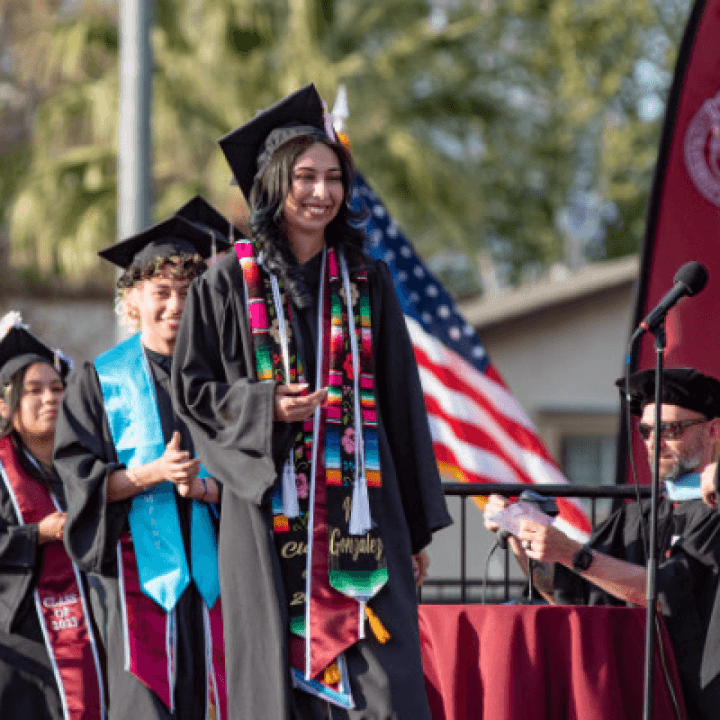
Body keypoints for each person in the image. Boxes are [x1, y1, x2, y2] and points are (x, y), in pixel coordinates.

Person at [171, 83, 452, 720]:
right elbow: (192, 390)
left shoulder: (365, 280)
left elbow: (403, 407)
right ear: (273, 183)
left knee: (383, 683)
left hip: (363, 515)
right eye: (304, 177)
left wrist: (412, 519)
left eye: (333, 179)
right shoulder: (224, 282)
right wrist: (261, 406)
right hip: (268, 512)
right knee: (276, 683)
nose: (321, 193)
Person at [53, 214, 231, 720]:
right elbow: (77, 482)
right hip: (140, 583)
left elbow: (257, 467)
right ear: (132, 300)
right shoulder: (99, 381)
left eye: (188, 290)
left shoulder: (223, 377)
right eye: (162, 291)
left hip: (224, 572)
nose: (175, 304)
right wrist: (152, 473)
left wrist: (207, 489)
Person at [484, 367, 720, 719]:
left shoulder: (713, 513)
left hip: (700, 695)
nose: (655, 442)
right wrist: (523, 535)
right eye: (646, 430)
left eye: (670, 429)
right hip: (631, 693)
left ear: (712, 430)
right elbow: (570, 592)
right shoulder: (632, 519)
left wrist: (573, 553)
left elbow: (661, 592)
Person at [0, 312, 105, 720]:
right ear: (6, 404)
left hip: (89, 630)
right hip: (18, 635)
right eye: (34, 390)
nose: (50, 398)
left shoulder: (81, 465)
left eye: (57, 387)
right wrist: (36, 535)